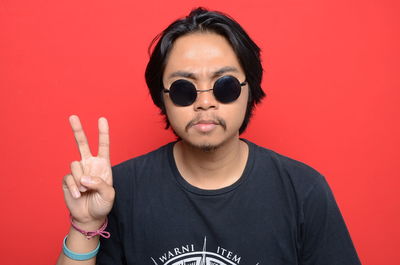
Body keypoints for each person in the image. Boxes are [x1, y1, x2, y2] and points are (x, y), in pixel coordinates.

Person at [57, 7, 361, 265]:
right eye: (183, 89)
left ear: (249, 90)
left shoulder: (303, 190)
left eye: (224, 86)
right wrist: (85, 224)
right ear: (162, 97)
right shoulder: (117, 190)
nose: (204, 101)